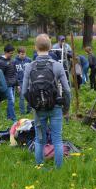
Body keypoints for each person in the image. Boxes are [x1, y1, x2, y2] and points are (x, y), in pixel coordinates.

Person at [22, 34, 71, 168]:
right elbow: (67, 91)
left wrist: (34, 105)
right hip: (55, 107)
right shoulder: (58, 66)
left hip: (38, 109)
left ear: (35, 47)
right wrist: (66, 109)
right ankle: (58, 169)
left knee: (39, 140)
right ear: (50, 47)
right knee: (57, 140)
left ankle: (39, 167)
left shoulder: (29, 67)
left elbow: (24, 91)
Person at [0, 44, 17, 122]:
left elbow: (14, 72)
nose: (11, 55)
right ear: (5, 52)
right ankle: (14, 119)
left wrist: (16, 83)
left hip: (12, 84)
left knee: (11, 101)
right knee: (11, 101)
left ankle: (9, 117)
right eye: (10, 53)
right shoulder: (0, 62)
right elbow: (0, 76)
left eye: (12, 53)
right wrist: (3, 86)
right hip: (7, 85)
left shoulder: (11, 60)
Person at [13, 47, 32, 115]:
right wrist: (17, 84)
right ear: (18, 54)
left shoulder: (29, 60)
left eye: (24, 54)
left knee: (29, 96)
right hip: (20, 81)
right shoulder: (14, 61)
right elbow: (14, 73)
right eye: (22, 54)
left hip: (29, 81)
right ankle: (22, 112)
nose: (23, 55)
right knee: (22, 97)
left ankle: (29, 110)